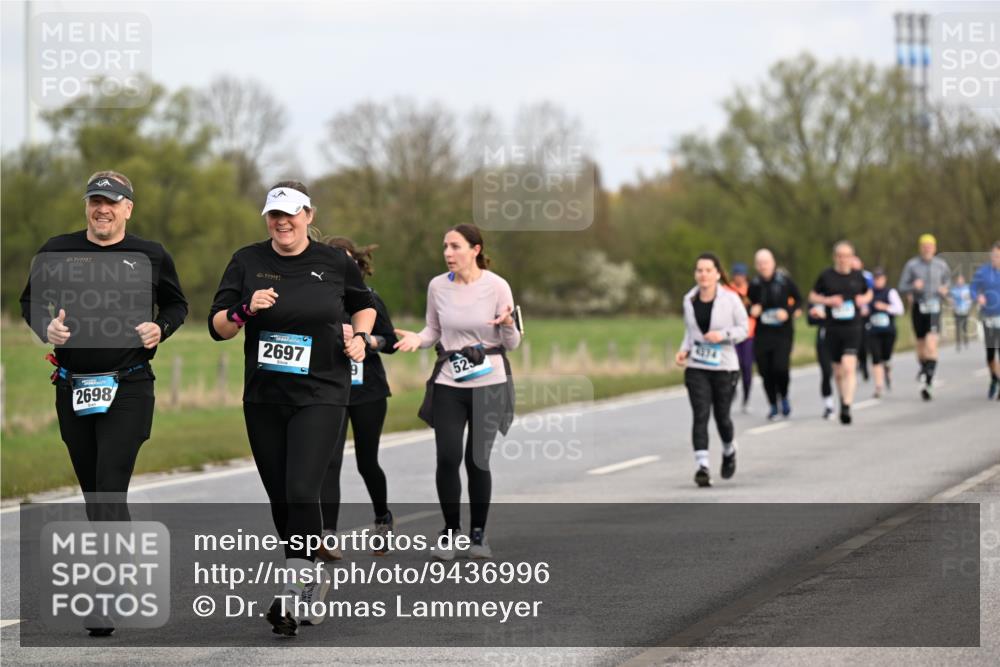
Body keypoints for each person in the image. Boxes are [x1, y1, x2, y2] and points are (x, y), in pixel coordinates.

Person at [19, 170, 188, 636]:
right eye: (96, 200)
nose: (103, 209)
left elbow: (176, 306)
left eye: (112, 202)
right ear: (87, 205)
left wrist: (161, 329)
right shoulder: (56, 250)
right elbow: (30, 302)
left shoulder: (151, 255)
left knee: (111, 484)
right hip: (73, 386)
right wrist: (45, 329)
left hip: (130, 385)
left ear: (128, 208)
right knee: (96, 492)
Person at [208, 181, 376, 636]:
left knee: (303, 488)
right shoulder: (248, 260)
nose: (282, 222)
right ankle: (309, 573)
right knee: (281, 496)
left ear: (308, 214)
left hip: (322, 391)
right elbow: (217, 327)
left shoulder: (334, 262)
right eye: (274, 215)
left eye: (291, 214)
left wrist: (358, 337)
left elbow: (365, 306)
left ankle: (292, 586)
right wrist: (245, 310)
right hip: (265, 398)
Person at [394, 224, 520, 559]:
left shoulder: (497, 286)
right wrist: (416, 340)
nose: (448, 253)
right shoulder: (437, 286)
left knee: (477, 460)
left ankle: (478, 534)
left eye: (455, 246)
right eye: (445, 247)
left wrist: (508, 326)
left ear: (475, 249)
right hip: (450, 382)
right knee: (447, 457)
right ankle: (451, 532)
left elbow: (513, 342)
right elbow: (433, 329)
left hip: (489, 383)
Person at [318, 237, 398, 559]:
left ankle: (382, 517)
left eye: (346, 259)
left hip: (368, 391)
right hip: (330, 389)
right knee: (329, 462)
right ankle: (328, 535)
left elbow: (390, 340)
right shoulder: (318, 300)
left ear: (355, 263)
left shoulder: (368, 299)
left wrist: (366, 341)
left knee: (367, 462)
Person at [674, 253, 748, 487]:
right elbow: (690, 331)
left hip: (724, 365)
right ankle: (702, 466)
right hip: (697, 365)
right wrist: (683, 349)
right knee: (700, 415)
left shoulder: (731, 299)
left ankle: (728, 450)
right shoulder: (689, 299)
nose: (703, 274)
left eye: (708, 270)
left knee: (722, 417)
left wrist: (722, 336)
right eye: (699, 270)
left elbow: (743, 329)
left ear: (717, 274)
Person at [808, 241, 873, 425]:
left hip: (853, 327)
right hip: (832, 328)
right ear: (835, 257)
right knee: (837, 373)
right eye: (840, 256)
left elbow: (869, 294)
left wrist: (862, 299)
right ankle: (843, 396)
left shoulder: (858, 276)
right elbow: (812, 296)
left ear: (852, 257)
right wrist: (828, 301)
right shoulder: (826, 276)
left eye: (847, 256)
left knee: (849, 366)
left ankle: (846, 405)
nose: (843, 259)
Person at [747, 249, 802, 419]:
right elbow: (747, 306)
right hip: (763, 333)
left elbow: (800, 301)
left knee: (780, 367)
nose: (763, 266)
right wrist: (752, 310)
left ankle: (783, 396)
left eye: (766, 262)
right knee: (765, 371)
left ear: (773, 263)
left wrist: (788, 312)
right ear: (756, 266)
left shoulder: (784, 281)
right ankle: (772, 404)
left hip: (783, 332)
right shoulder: (754, 284)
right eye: (760, 263)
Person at [898, 234, 951, 401]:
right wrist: (913, 286)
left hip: (935, 307)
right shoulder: (912, 265)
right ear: (920, 248)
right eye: (924, 246)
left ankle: (928, 380)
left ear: (934, 248)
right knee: (921, 346)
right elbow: (901, 286)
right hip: (919, 308)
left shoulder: (941, 265)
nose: (927, 248)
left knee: (931, 342)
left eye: (930, 246)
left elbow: (948, 283)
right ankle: (924, 367)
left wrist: (945, 290)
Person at [866, 268, 905, 399]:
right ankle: (879, 387)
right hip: (873, 331)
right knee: (876, 358)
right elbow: (863, 307)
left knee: (886, 358)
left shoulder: (890, 292)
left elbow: (900, 309)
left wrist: (885, 307)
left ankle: (887, 369)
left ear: (884, 279)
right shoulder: (869, 293)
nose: (878, 281)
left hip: (888, 331)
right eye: (876, 279)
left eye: (880, 278)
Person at [971, 241, 1000, 400]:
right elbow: (973, 288)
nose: (995, 259)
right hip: (988, 316)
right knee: (990, 354)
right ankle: (994, 378)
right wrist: (978, 297)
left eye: (998, 256)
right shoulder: (983, 272)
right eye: (994, 255)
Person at [725, 263, 755, 413]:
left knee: (747, 367)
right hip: (732, 335)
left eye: (741, 275)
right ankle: (732, 393)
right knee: (732, 367)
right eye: (736, 274)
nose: (739, 277)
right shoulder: (727, 290)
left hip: (749, 335)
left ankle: (746, 398)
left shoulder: (752, 289)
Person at [806, 301, 836, 420]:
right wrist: (814, 314)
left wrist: (827, 315)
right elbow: (810, 320)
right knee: (827, 372)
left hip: (843, 338)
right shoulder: (818, 298)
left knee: (841, 373)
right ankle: (829, 405)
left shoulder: (845, 291)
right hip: (824, 341)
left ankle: (845, 402)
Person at [852, 256, 875, 382]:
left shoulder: (867, 276)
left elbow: (871, 293)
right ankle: (857, 363)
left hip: (865, 314)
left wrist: (866, 306)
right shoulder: (845, 276)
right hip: (851, 314)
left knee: (864, 342)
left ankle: (864, 365)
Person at [950, 274, 973, 352]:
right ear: (956, 281)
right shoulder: (953, 289)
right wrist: (952, 305)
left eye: (961, 280)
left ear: (963, 280)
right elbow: (951, 299)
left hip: (965, 310)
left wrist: (968, 307)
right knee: (957, 327)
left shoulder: (967, 288)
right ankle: (958, 343)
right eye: (958, 280)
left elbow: (969, 299)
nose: (960, 281)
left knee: (964, 327)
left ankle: (966, 341)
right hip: (957, 310)